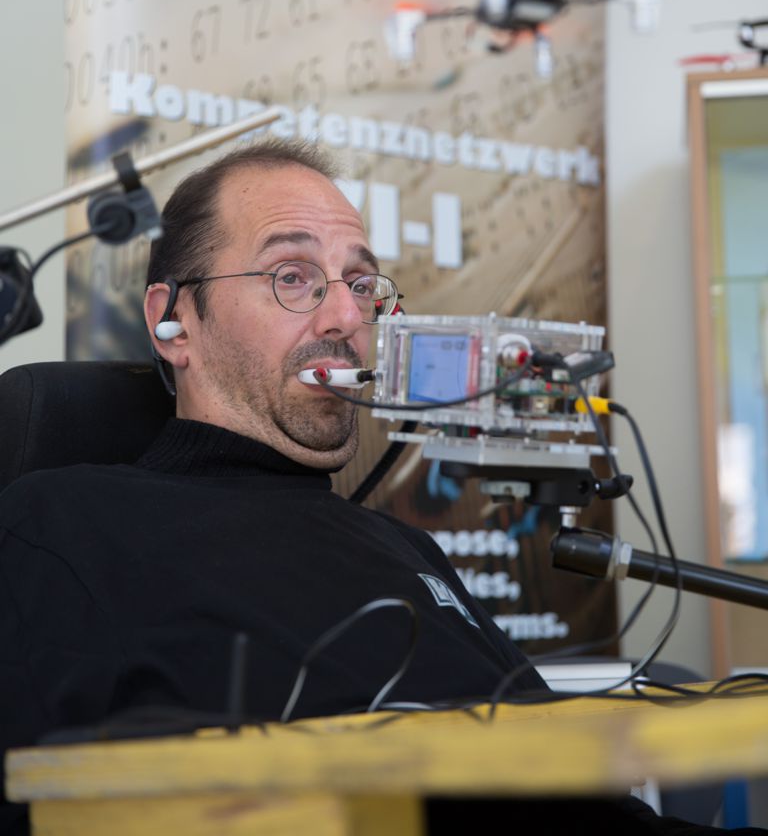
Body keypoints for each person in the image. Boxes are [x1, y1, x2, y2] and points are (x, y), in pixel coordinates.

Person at [0, 138, 763, 835]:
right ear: (174, 322)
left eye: (361, 283)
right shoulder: (62, 525)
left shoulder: (405, 547)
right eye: (292, 276)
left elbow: (579, 802)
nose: (345, 315)